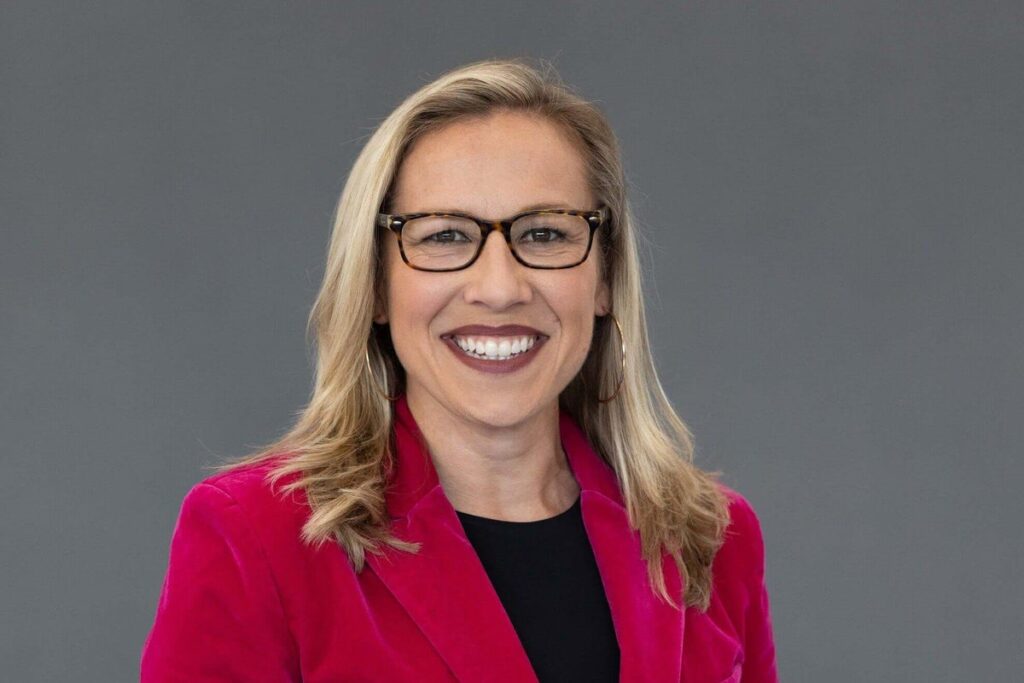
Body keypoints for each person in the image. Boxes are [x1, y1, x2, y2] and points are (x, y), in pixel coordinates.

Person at [140, 58, 778, 682]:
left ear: (604, 276)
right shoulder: (257, 537)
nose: (499, 288)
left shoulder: (712, 540)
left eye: (545, 234)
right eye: (444, 236)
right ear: (378, 285)